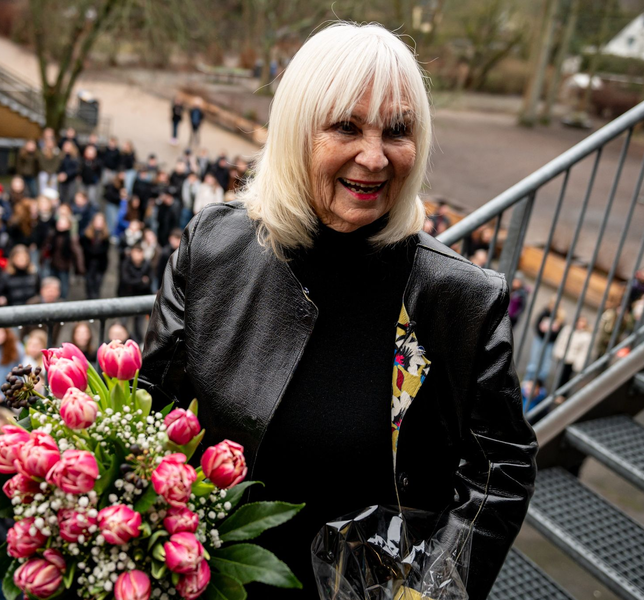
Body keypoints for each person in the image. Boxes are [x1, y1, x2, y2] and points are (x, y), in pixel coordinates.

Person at [141, 23, 536, 600]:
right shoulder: (213, 250)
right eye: (346, 126)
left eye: (397, 131)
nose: (374, 158)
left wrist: (432, 593)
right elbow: (153, 410)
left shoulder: (458, 299)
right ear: (297, 132)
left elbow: (499, 470)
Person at [524, 298, 565, 384]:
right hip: (539, 339)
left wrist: (551, 334)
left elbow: (561, 333)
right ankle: (527, 382)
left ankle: (539, 384)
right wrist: (542, 332)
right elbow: (536, 325)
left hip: (550, 343)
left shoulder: (560, 318)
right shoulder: (544, 313)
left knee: (545, 364)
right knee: (534, 361)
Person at [80, 213, 111, 300]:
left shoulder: (106, 236)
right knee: (89, 285)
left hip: (100, 265)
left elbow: (104, 251)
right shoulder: (87, 236)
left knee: (97, 286)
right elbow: (86, 249)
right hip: (89, 264)